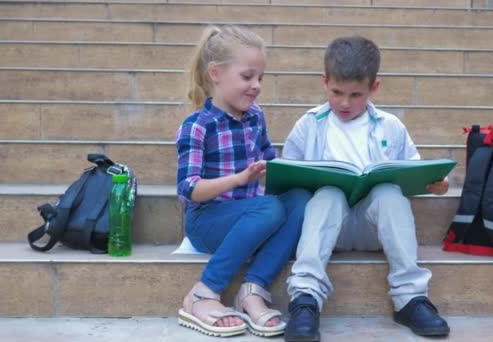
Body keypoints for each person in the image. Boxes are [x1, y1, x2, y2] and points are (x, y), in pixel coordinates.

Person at [282, 36, 451, 341]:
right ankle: (305, 299)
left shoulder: (390, 126)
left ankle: (410, 298)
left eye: (356, 94)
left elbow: (414, 171)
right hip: (327, 228)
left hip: (375, 228)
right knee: (328, 194)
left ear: (374, 88)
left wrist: (435, 185)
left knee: (388, 193)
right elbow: (289, 176)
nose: (345, 103)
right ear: (324, 82)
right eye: (337, 92)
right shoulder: (309, 124)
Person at [175, 25, 312, 338]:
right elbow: (189, 190)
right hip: (207, 221)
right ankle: (203, 292)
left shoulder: (255, 116)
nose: (256, 86)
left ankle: (252, 289)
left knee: (301, 199)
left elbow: (270, 162)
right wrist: (238, 178)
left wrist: (303, 174)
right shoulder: (197, 125)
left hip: (252, 215)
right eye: (247, 76)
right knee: (268, 210)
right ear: (215, 73)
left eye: (260, 78)